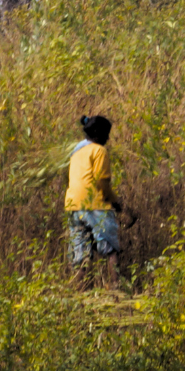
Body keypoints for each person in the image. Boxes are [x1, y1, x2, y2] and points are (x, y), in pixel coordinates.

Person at [65, 114, 122, 289]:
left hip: (74, 206)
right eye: (106, 134)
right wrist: (114, 201)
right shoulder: (99, 151)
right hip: (95, 204)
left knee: (81, 255)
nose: (108, 138)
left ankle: (79, 294)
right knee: (111, 249)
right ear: (98, 134)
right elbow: (101, 181)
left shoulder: (75, 152)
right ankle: (116, 290)